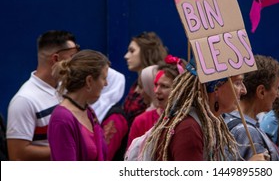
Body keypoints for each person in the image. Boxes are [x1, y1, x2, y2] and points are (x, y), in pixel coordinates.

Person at [142, 59, 266, 161]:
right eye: (238, 83)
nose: (244, 90)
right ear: (216, 87)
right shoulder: (189, 129)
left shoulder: (206, 123)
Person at [6, 30, 79, 160]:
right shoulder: (24, 100)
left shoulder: (67, 89)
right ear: (56, 58)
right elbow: (17, 155)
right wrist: (68, 149)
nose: (76, 63)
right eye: (72, 56)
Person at [101, 31, 168, 160]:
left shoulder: (155, 88)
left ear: (146, 52)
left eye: (132, 51)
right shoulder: (134, 85)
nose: (126, 56)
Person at [223, 55, 279, 161]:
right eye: (276, 88)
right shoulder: (247, 132)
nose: (278, 95)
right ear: (261, 91)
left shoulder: (226, 118)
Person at [48, 49, 110, 161]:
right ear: (89, 81)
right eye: (104, 78)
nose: (106, 84)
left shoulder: (88, 112)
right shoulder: (62, 119)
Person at [126, 55, 185, 149]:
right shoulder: (141, 121)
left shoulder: (189, 122)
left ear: (180, 89)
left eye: (164, 86)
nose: (157, 91)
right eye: (156, 85)